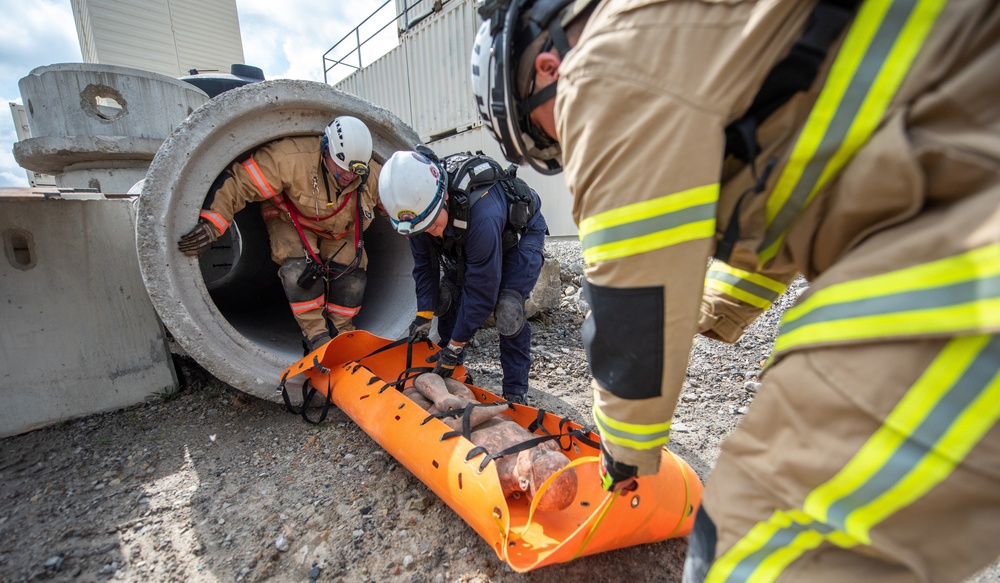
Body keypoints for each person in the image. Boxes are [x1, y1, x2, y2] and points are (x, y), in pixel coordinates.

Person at [472, 0, 1000, 581]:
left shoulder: (599, 70)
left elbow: (630, 307)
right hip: (945, 183)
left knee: (755, 548)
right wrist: (704, 310)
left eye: (549, 142)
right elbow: (787, 204)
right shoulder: (690, 35)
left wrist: (620, 457)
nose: (567, 152)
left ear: (548, 70)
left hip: (967, 234)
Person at [177, 116, 382, 352]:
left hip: (341, 227)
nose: (348, 177)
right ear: (327, 150)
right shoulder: (289, 159)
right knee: (299, 272)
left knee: (351, 276)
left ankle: (341, 332)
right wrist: (213, 223)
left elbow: (398, 203)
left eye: (355, 172)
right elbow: (240, 183)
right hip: (290, 218)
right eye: (342, 168)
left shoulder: (372, 176)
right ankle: (316, 335)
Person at [379, 147, 548, 405]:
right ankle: (452, 370)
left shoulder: (482, 213)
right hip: (465, 232)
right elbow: (425, 266)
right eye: (424, 230)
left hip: (519, 235)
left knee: (507, 309)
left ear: (444, 197)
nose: (433, 234)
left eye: (435, 225)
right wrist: (423, 314)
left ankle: (515, 389)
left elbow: (481, 289)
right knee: (447, 297)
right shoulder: (418, 215)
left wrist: (457, 344)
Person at [403, 372, 578, 511]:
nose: (539, 450)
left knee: (412, 396)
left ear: (524, 483)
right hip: (476, 406)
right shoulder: (539, 448)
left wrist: (481, 414)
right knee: (460, 390)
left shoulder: (494, 476)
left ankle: (439, 397)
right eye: (546, 452)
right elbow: (553, 446)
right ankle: (443, 394)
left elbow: (446, 449)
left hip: (451, 421)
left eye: (538, 456)